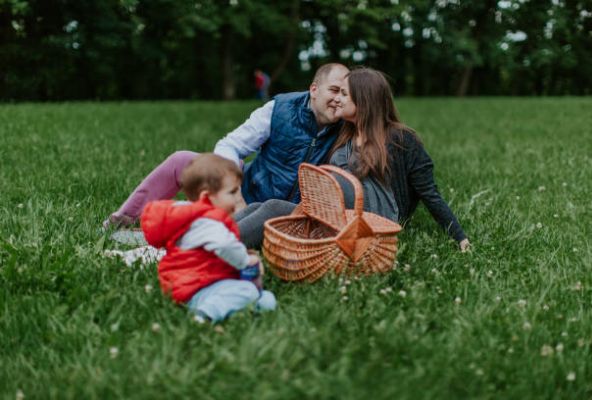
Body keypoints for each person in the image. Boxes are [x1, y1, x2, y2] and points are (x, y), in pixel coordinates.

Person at [231, 67, 471, 252]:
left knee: (287, 202)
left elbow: (429, 192)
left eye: (345, 94)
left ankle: (217, 249)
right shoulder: (344, 135)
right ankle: (211, 236)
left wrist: (460, 237)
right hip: (336, 212)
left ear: (363, 101)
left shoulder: (400, 138)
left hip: (375, 218)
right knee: (269, 206)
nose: (339, 99)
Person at [104, 63, 349, 229]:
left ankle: (188, 222)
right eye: (334, 90)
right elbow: (231, 145)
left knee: (198, 222)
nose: (339, 99)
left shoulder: (347, 127)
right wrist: (234, 192)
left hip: (281, 215)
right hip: (244, 192)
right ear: (314, 89)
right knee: (183, 160)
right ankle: (124, 220)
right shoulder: (280, 109)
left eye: (345, 94)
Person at [141, 153, 276, 323]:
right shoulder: (206, 223)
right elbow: (224, 245)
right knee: (247, 291)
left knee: (266, 299)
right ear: (207, 196)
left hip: (210, 280)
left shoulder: (205, 218)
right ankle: (204, 314)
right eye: (232, 192)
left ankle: (233, 312)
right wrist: (244, 260)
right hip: (196, 287)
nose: (238, 198)